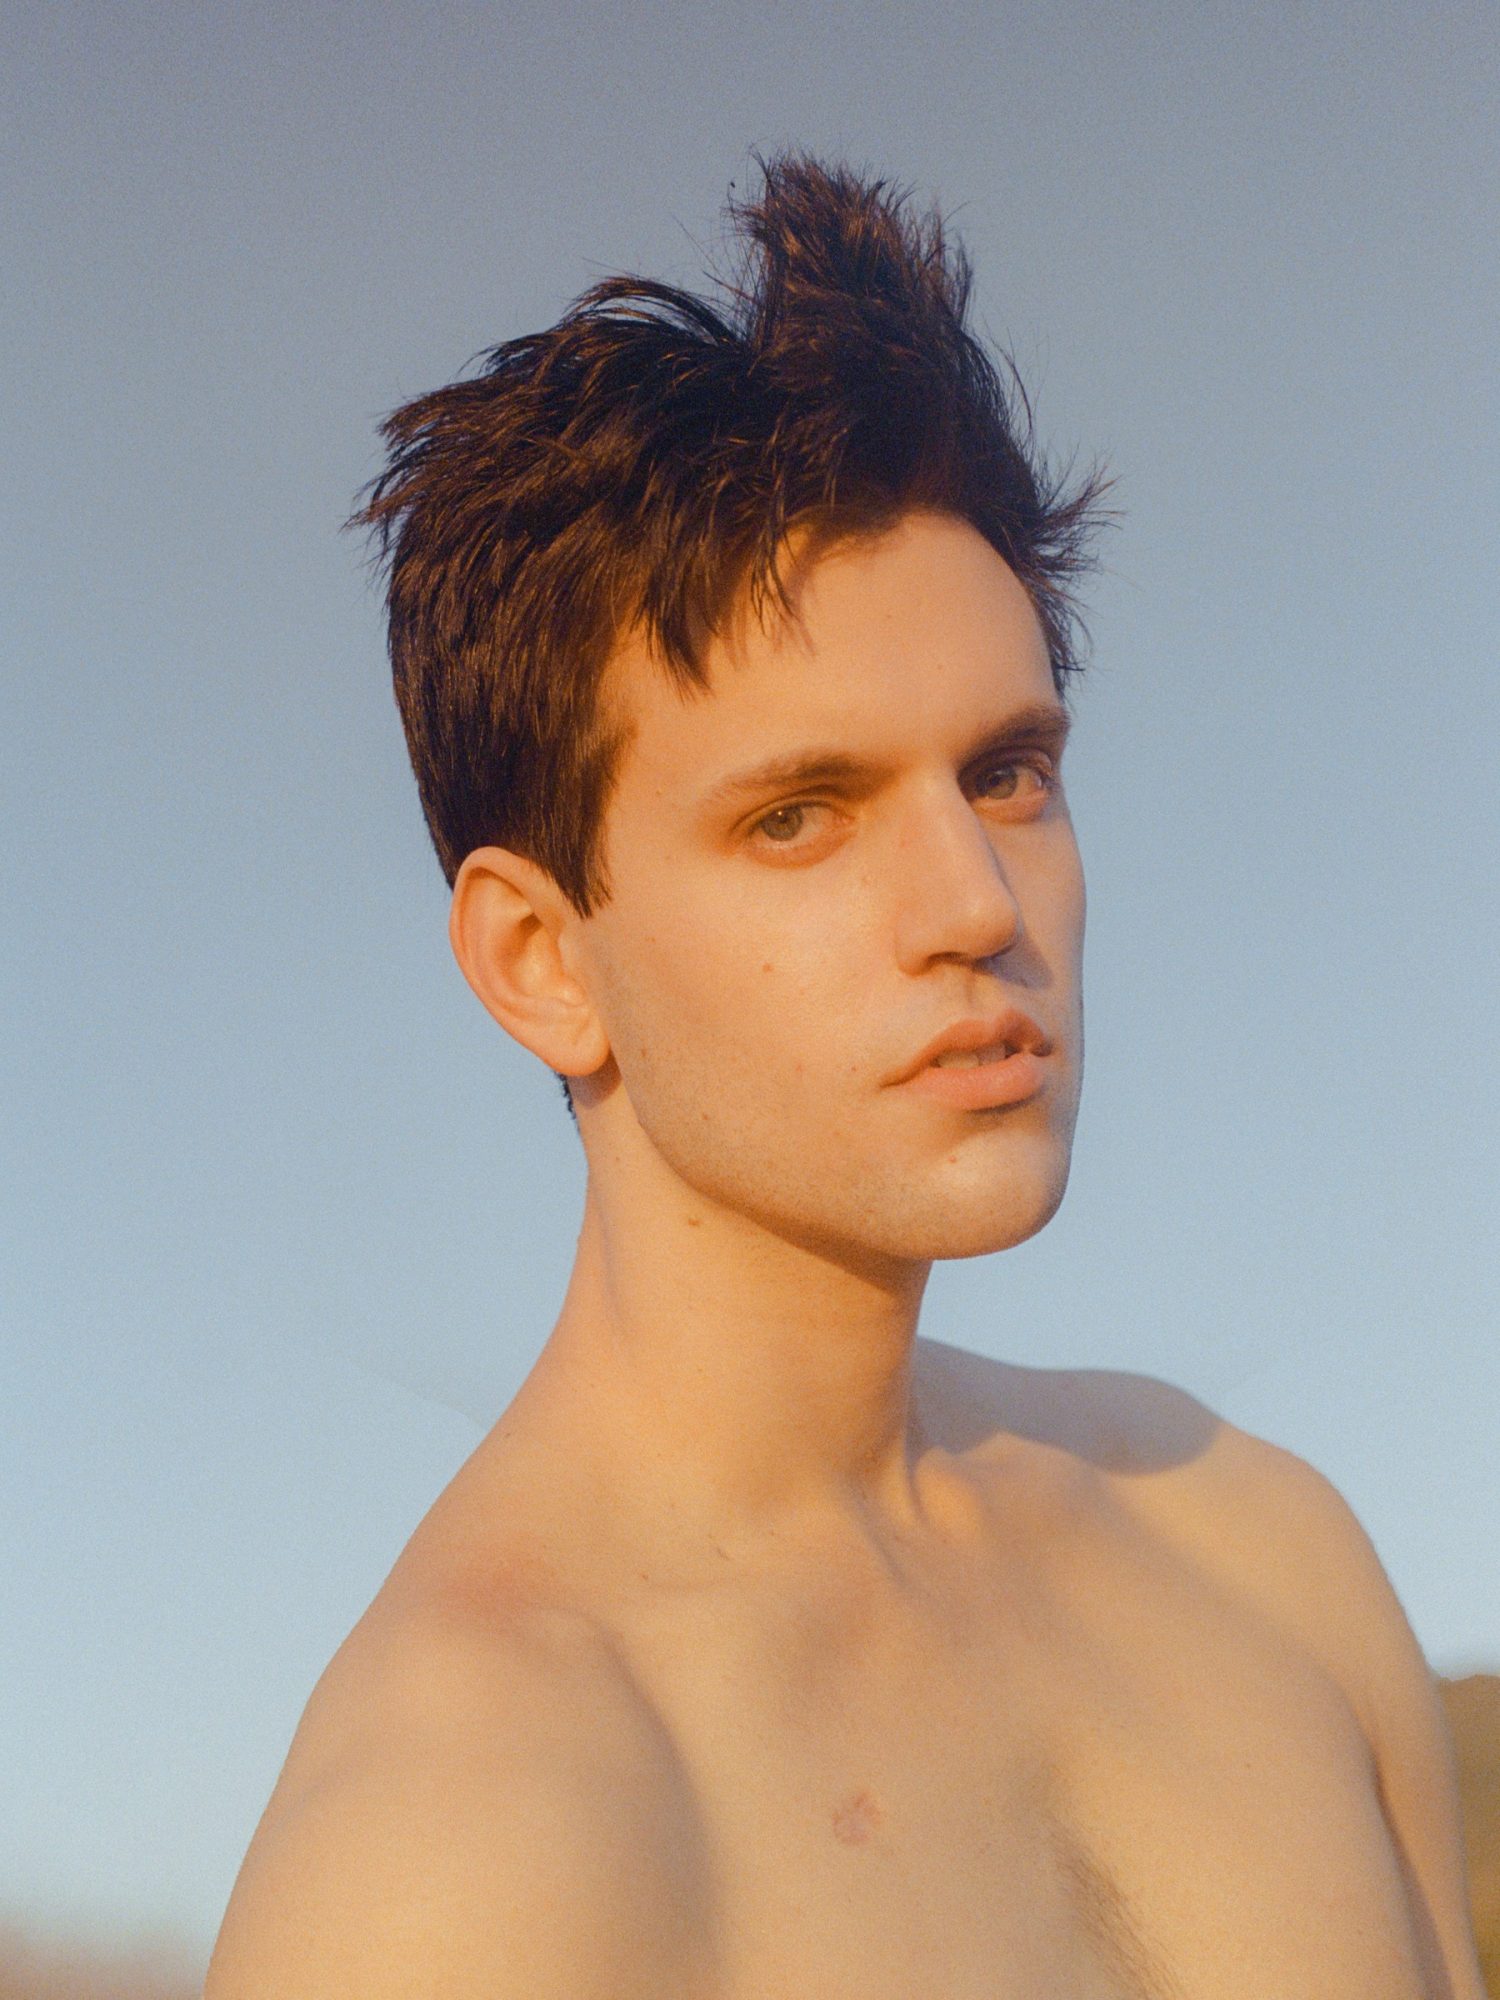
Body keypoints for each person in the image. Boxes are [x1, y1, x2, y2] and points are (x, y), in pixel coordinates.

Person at [204, 155, 1484, 1999]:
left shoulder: (1257, 1547)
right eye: (799, 816)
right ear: (541, 961)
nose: (976, 905)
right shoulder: (462, 1850)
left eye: (1007, 775)